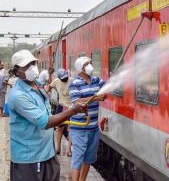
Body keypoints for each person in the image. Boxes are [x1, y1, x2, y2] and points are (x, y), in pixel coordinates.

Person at [7, 49, 87, 181]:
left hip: (48, 154)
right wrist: (73, 110)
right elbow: (45, 122)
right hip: (30, 159)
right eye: (27, 66)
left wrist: (76, 105)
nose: (32, 68)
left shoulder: (38, 85)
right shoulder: (18, 96)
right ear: (16, 71)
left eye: (33, 63)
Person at [69, 56, 106, 181]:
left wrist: (105, 92)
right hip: (79, 128)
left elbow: (105, 88)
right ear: (80, 68)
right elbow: (77, 101)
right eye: (86, 64)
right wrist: (96, 97)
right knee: (78, 159)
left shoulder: (96, 80)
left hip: (93, 128)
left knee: (88, 159)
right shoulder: (75, 83)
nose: (90, 66)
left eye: (90, 63)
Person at [45, 68, 73, 156]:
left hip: (71, 107)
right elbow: (48, 87)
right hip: (61, 106)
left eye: (65, 77)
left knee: (71, 129)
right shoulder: (56, 81)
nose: (64, 79)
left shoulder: (73, 81)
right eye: (62, 78)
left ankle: (69, 150)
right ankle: (57, 148)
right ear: (59, 78)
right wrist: (45, 93)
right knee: (59, 128)